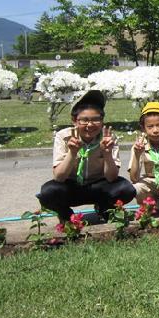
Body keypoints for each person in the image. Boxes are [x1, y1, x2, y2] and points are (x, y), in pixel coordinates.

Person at [37, 90, 135, 222]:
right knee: (48, 192)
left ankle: (104, 209)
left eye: (96, 119)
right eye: (84, 120)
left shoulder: (108, 138)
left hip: (99, 186)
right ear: (74, 121)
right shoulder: (64, 136)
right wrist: (72, 153)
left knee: (126, 189)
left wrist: (107, 154)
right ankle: (66, 215)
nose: (90, 125)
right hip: (72, 187)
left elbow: (111, 177)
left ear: (102, 120)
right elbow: (59, 177)